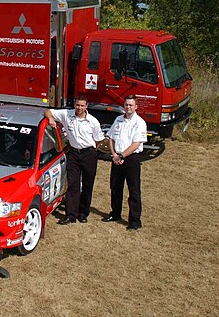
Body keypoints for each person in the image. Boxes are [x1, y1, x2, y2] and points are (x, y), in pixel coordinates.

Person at [45, 96, 105, 224]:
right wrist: (50, 119)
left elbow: (98, 139)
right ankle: (70, 215)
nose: (79, 108)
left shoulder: (93, 121)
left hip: (89, 154)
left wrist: (91, 151)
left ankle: (83, 213)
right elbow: (48, 111)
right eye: (78, 105)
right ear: (75, 105)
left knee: (88, 184)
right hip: (73, 154)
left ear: (86, 107)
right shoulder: (67, 114)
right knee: (73, 184)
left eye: (82, 106)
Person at [103, 95, 147, 230]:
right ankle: (115, 214)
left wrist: (121, 155)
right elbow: (110, 137)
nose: (128, 107)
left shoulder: (139, 122)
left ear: (136, 107)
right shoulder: (118, 119)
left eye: (131, 105)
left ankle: (134, 220)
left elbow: (136, 144)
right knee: (115, 188)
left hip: (131, 159)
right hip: (117, 158)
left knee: (133, 190)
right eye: (126, 105)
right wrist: (114, 154)